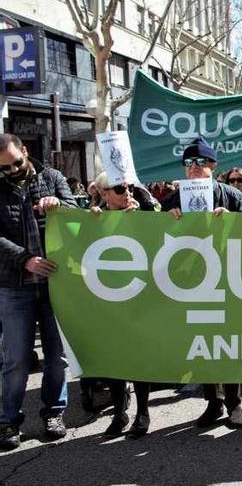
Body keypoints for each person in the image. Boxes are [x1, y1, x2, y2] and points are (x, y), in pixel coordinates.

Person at [161, 135, 242, 428]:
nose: (194, 168)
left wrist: (233, 220)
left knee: (227, 342)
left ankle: (235, 403)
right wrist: (168, 217)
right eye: (188, 163)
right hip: (193, 281)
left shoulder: (231, 196)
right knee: (201, 342)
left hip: (226, 278)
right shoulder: (174, 198)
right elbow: (156, 236)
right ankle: (213, 402)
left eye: (200, 162)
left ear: (213, 165)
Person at [0, 134, 75, 450]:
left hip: (56, 283)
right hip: (14, 286)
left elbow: (77, 214)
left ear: (26, 151)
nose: (14, 170)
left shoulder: (52, 177)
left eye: (17, 162)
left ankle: (53, 412)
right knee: (15, 359)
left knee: (56, 356)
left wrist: (60, 204)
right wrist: (25, 260)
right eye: (5, 168)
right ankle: (8, 421)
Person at [88, 172, 156, 437]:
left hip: (139, 295)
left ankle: (143, 413)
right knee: (114, 357)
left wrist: (143, 215)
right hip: (108, 297)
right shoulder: (94, 218)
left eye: (128, 187)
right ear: (104, 193)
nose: (126, 192)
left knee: (139, 355)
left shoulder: (143, 214)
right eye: (118, 189)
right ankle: (119, 412)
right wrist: (91, 218)